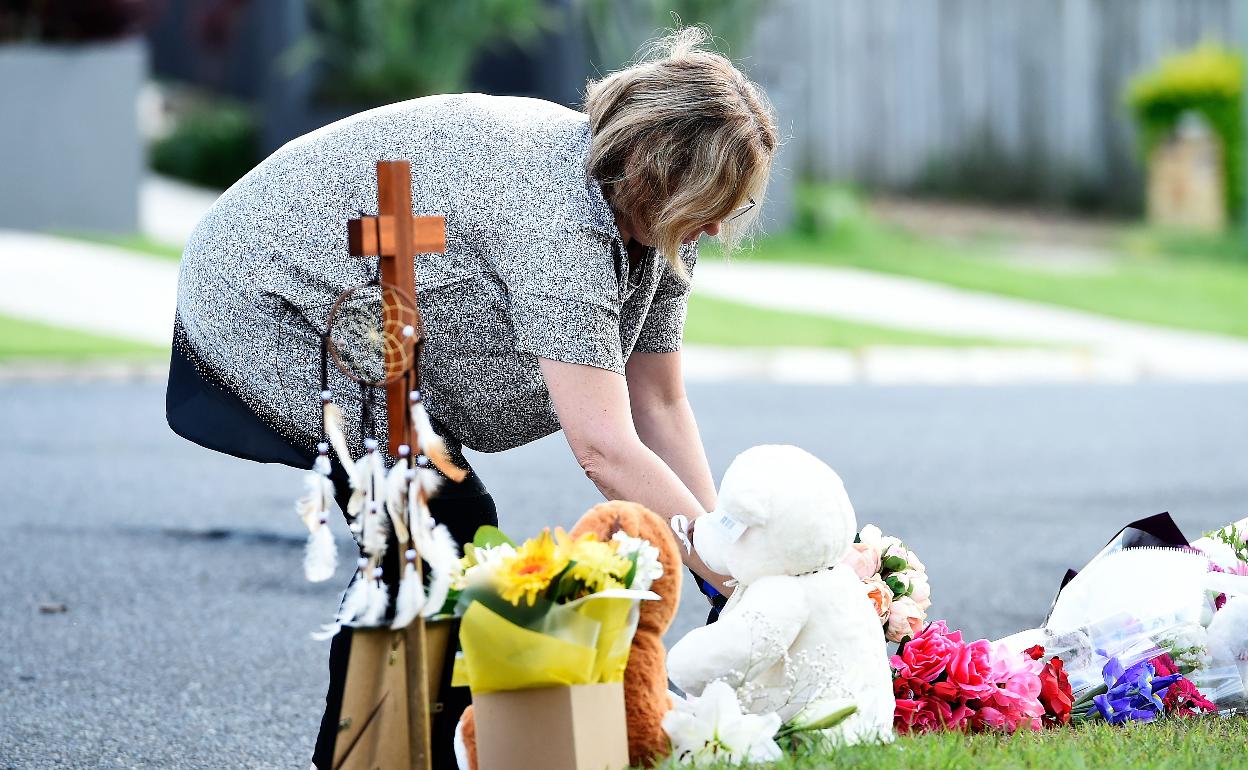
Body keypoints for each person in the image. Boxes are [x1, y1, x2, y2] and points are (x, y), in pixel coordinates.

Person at [165, 27, 777, 769]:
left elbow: (660, 406)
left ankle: (428, 753)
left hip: (369, 320)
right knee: (433, 528)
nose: (717, 224)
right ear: (653, 170)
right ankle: (371, 756)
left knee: (442, 532)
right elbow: (605, 446)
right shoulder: (560, 219)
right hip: (269, 297)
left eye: (730, 206)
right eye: (709, 201)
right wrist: (733, 579)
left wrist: (726, 560)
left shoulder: (660, 220)